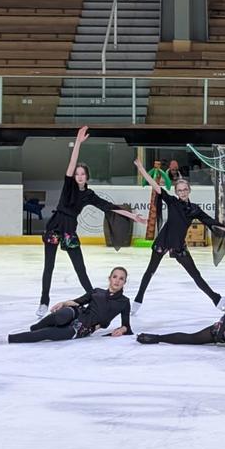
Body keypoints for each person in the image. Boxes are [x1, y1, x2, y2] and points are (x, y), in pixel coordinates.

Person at [37, 126, 146, 317]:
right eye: (77, 173)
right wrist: (78, 143)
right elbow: (71, 162)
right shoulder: (69, 184)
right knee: (49, 267)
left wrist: (133, 216)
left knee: (80, 268)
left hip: (70, 230)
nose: (79, 176)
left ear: (87, 176)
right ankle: (43, 302)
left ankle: (95, 299)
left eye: (82, 174)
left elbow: (109, 206)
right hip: (55, 227)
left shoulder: (89, 194)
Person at [131, 158, 225, 315]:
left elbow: (211, 222)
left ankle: (216, 300)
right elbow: (155, 186)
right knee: (150, 271)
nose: (183, 192)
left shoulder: (194, 209)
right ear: (176, 192)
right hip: (163, 241)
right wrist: (141, 168)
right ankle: (137, 301)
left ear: (189, 190)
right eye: (180, 190)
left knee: (195, 274)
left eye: (185, 190)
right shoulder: (172, 202)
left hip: (178, 245)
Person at [0, 267, 132, 345]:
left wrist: (122, 329)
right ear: (109, 278)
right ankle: (35, 328)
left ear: (124, 282)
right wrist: (63, 303)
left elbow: (126, 325)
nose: (117, 281)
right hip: (78, 313)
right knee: (62, 315)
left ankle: (5, 339)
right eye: (115, 277)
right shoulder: (96, 292)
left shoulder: (124, 302)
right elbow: (78, 302)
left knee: (47, 334)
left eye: (121, 278)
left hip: (82, 328)